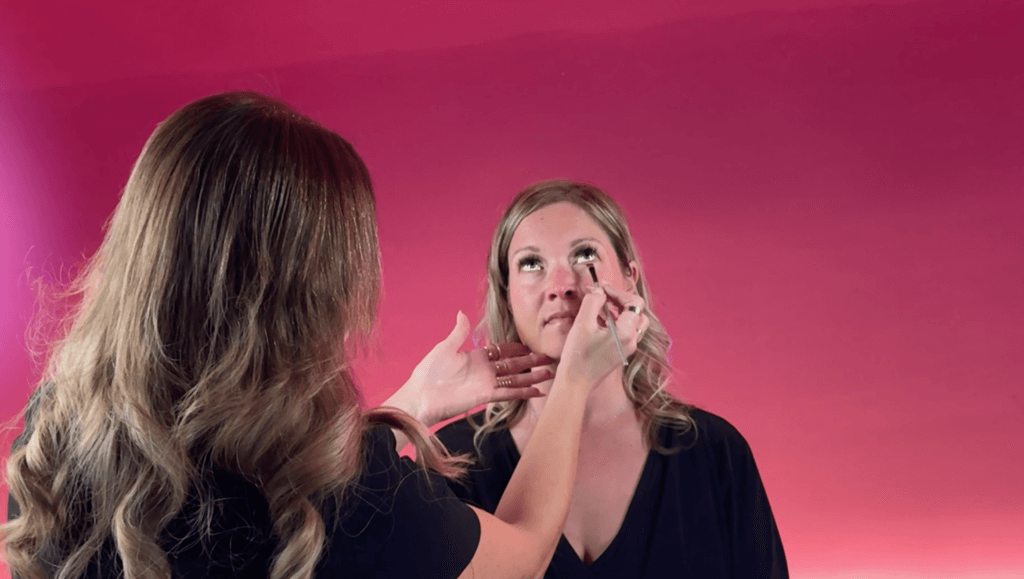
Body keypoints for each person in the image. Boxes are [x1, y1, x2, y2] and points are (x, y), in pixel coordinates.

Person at [1, 93, 650, 579]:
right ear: (312, 288)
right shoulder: (349, 497)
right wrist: (574, 379)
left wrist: (403, 411)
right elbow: (527, 551)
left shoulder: (55, 430)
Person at [435, 181, 789, 578]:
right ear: (507, 295)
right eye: (531, 264)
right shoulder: (449, 462)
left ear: (628, 278)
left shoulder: (716, 452)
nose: (561, 286)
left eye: (584, 255)